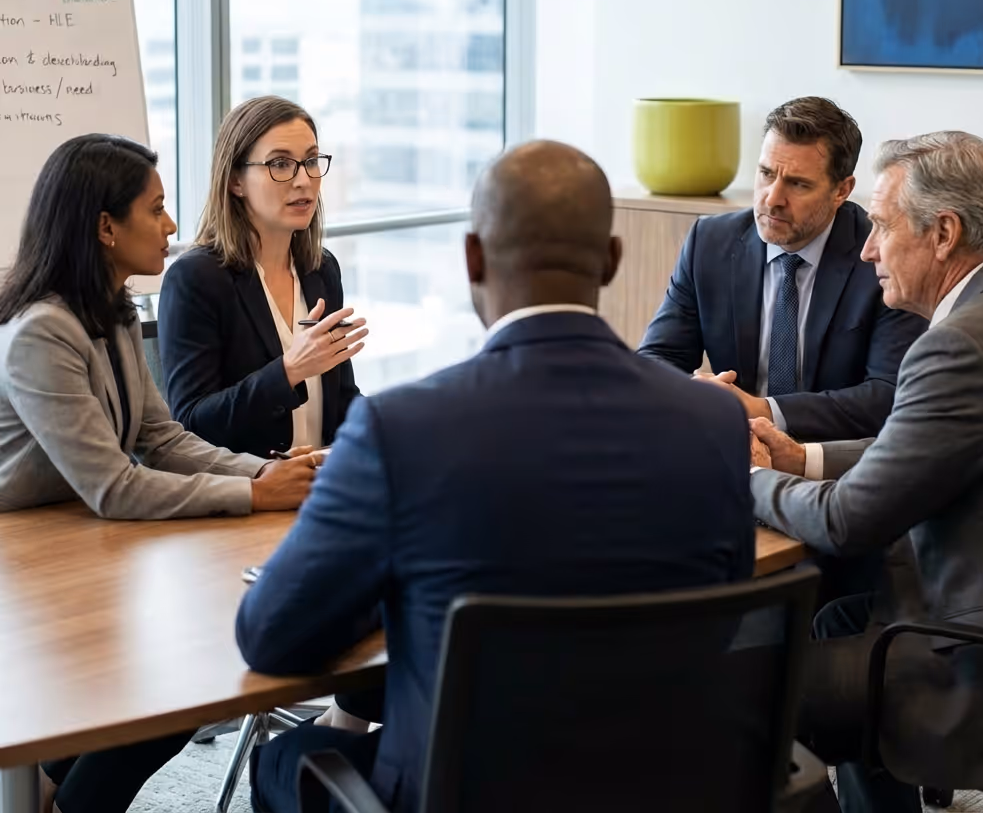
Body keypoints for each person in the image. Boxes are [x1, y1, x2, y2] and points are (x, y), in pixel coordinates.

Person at [235, 140, 756, 813]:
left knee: (284, 757)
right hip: (666, 784)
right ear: (612, 260)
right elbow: (726, 603)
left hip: (464, 792)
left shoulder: (399, 430)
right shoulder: (714, 420)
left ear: (472, 257)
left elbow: (272, 635)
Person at [0, 134, 318, 813]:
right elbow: (115, 485)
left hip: (78, 542)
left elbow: (160, 438)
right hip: (22, 567)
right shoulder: (40, 333)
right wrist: (255, 494)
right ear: (106, 227)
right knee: (161, 697)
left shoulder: (111, 310)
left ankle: (53, 793)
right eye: (157, 209)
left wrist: (267, 473)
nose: (172, 226)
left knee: (152, 694)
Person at [749, 132, 983, 813]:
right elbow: (928, 444)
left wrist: (746, 475)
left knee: (750, 697)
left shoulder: (959, 346)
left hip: (982, 665)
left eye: (880, 225)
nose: (868, 248)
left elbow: (848, 522)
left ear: (943, 233)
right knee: (840, 620)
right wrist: (800, 458)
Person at [639, 96, 927, 444]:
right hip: (730, 446)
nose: (772, 198)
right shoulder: (710, 242)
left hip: (836, 463)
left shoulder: (882, 256)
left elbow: (888, 395)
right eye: (766, 174)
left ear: (842, 191)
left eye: (798, 184)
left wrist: (762, 410)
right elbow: (657, 359)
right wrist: (698, 395)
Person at [159, 95, 367, 459]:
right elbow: (191, 423)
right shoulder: (195, 279)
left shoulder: (321, 269)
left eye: (312, 161)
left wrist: (396, 418)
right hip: (249, 498)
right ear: (236, 181)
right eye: (281, 164)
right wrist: (289, 370)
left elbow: (342, 401)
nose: (304, 180)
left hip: (324, 485)